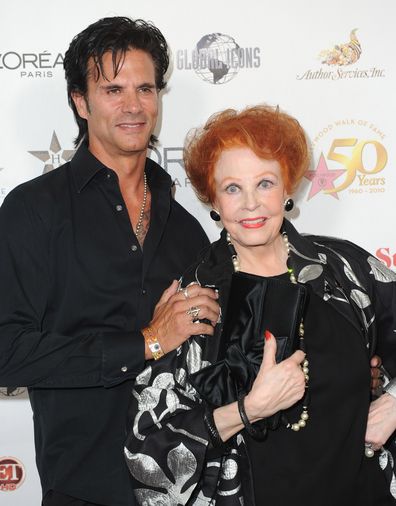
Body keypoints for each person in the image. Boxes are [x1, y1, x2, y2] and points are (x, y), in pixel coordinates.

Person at [125, 104, 396, 505]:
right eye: (233, 188)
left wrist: (393, 403)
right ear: (212, 199)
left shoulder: (348, 271)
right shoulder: (194, 301)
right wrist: (249, 408)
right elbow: (148, 457)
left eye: (265, 183)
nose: (251, 203)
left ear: (287, 188)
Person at [0, 17, 220, 506]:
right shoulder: (34, 211)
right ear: (80, 101)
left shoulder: (187, 229)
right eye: (113, 89)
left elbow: (213, 357)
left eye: (145, 88)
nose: (133, 106)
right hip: (84, 489)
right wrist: (145, 341)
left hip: (185, 488)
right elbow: (7, 351)